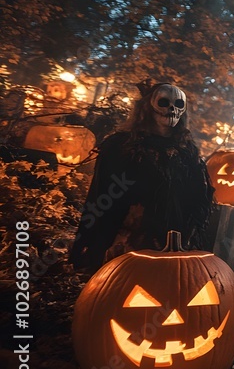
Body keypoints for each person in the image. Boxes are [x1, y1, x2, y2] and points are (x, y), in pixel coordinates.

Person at [69, 80, 213, 272]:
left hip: (173, 239)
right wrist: (87, 241)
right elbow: (101, 195)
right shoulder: (121, 146)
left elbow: (199, 196)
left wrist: (189, 236)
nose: (171, 109)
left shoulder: (186, 152)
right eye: (163, 102)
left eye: (178, 105)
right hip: (128, 237)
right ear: (147, 107)